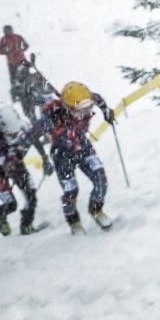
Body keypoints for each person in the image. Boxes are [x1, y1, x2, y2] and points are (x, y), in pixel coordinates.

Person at [27, 81, 115, 233]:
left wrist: (106, 110)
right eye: (80, 111)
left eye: (88, 109)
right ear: (67, 107)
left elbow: (98, 98)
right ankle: (73, 220)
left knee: (101, 180)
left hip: (83, 147)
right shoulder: (53, 115)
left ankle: (96, 209)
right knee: (71, 191)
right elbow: (31, 136)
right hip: (62, 155)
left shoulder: (87, 98)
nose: (85, 114)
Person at [0, 109, 42, 236]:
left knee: (31, 195)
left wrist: (45, 158)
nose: (14, 135)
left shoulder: (24, 126)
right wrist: (4, 164)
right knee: (11, 204)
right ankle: (0, 216)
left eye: (16, 132)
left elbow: (33, 140)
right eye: (10, 134)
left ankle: (26, 225)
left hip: (16, 163)